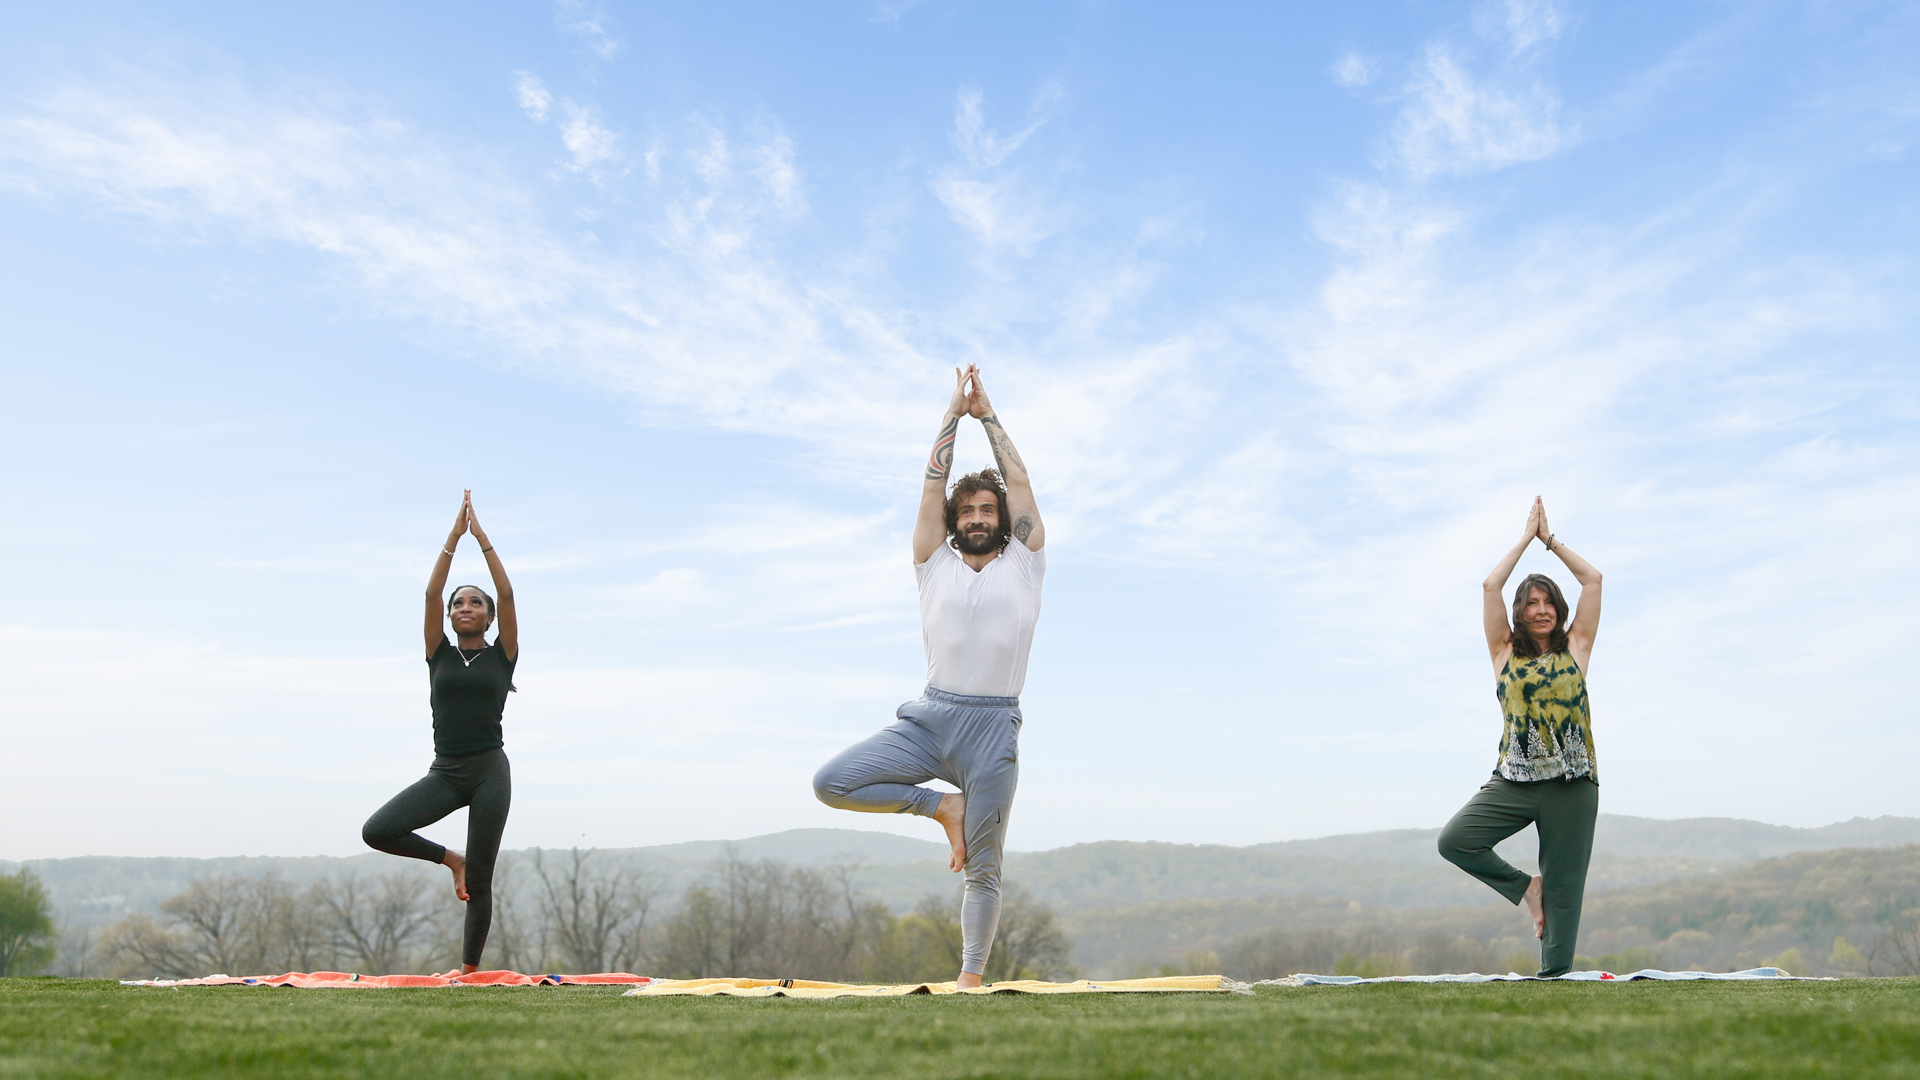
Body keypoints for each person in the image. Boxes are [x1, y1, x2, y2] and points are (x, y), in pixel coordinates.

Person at [812, 365, 1046, 988]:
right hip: (931, 719)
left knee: (985, 867)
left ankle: (969, 981)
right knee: (831, 782)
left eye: (986, 507)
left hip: (993, 730)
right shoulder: (930, 562)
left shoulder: (1025, 563)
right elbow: (930, 485)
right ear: (953, 519)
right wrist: (949, 417)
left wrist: (986, 415)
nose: (976, 515)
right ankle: (942, 806)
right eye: (965, 509)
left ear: (1001, 517)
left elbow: (1019, 480)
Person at [1438, 497, 1603, 978]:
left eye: (1549, 600)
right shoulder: (1503, 652)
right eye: (1531, 602)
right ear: (1519, 612)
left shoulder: (1577, 647)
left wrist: (1550, 542)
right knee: (1455, 840)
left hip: (1572, 787)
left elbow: (1593, 580)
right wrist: (1525, 539)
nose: (1542, 609)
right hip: (1513, 781)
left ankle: (1553, 982)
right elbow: (1491, 584)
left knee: (1566, 898)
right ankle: (1529, 890)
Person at [361, 490, 518, 975]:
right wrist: (453, 539)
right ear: (449, 617)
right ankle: (454, 860)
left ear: (489, 617)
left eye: (475, 603)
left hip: (489, 771)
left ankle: (469, 972)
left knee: (484, 879)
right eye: (458, 604)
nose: (463, 607)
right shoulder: (439, 655)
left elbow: (509, 594)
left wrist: (483, 540)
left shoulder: (502, 654)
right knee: (378, 830)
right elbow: (430, 595)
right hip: (447, 773)